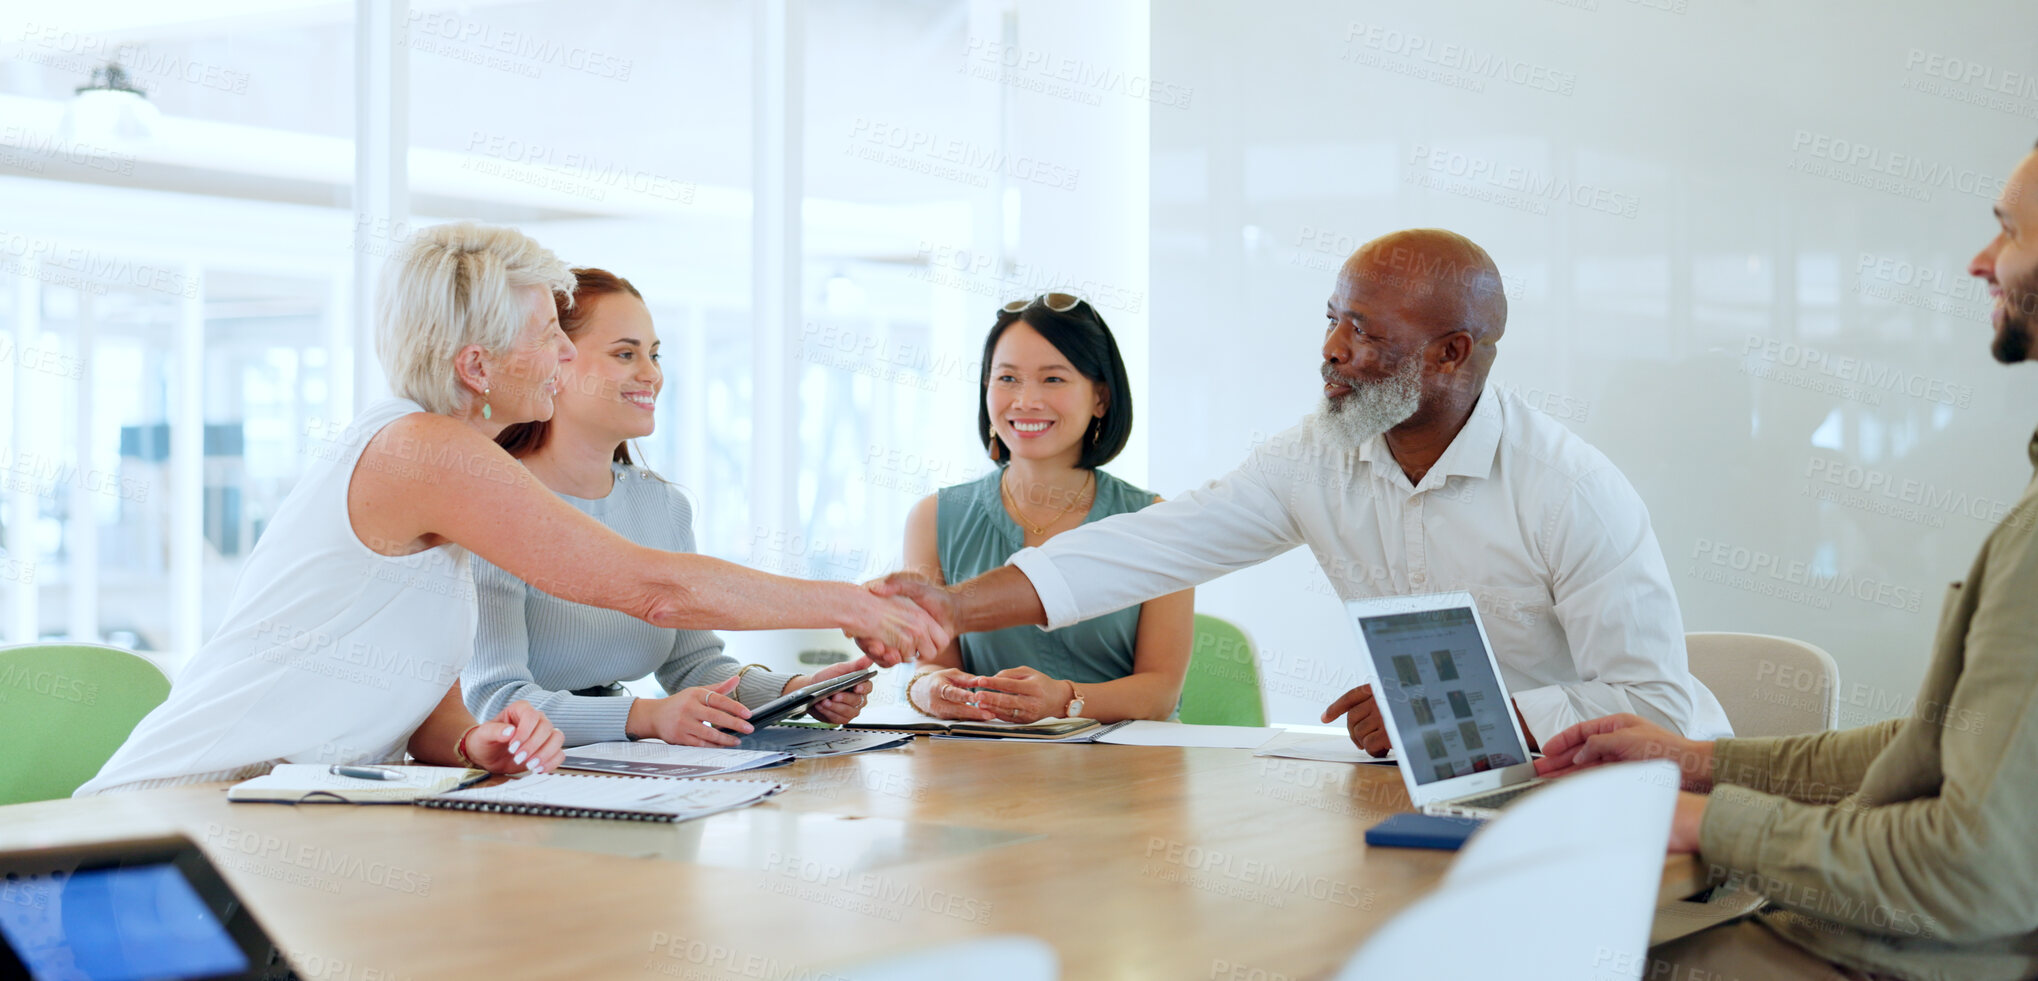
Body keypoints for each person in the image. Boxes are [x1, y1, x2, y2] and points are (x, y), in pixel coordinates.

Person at [77, 223, 943, 795]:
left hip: (293, 806)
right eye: (548, 334)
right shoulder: (425, 448)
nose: (566, 353)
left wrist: (468, 745)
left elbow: (417, 689)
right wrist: (845, 601)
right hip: (181, 808)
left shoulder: (451, 465)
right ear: (478, 366)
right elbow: (649, 588)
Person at [866, 228, 1732, 750]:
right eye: (1331, 318)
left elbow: (1657, 705)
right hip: (1439, 788)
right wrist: (944, 606)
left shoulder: (1570, 489)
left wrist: (1457, 716)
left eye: (1365, 331)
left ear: (1452, 354)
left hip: (1607, 790)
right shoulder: (1314, 456)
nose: (1332, 349)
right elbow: (1141, 549)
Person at [1530, 143, 2038, 981]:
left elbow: (1972, 869)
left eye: (2009, 233)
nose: (1980, 262)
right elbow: (1941, 744)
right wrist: (1698, 763)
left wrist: (1704, 822)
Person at [464, 268, 877, 747]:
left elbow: (694, 666)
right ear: (556, 362)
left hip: (624, 771)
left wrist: (797, 692)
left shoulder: (663, 506)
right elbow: (496, 700)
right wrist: (645, 716)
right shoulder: (490, 501)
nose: (652, 374)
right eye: (625, 354)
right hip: (516, 777)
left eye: (654, 355)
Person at [898, 293, 1193, 724]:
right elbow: (933, 664)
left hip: (1125, 771)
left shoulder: (1153, 521)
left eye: (1053, 379)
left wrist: (1061, 700)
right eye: (1008, 379)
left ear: (1101, 399)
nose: (1026, 401)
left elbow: (1160, 693)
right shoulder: (934, 518)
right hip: (986, 767)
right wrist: (925, 687)